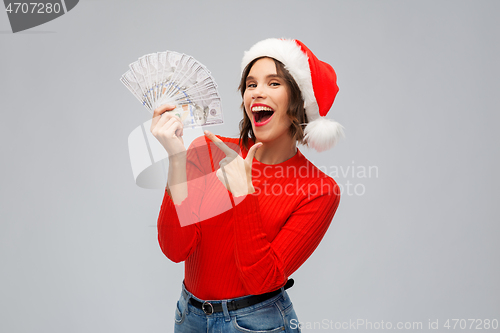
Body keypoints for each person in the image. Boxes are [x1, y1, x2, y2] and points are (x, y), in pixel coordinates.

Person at [151, 38, 344, 333]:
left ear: (299, 101)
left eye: (274, 83)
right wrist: (177, 159)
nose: (257, 93)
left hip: (256, 323)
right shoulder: (207, 150)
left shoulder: (318, 190)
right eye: (251, 84)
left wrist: (244, 193)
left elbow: (262, 280)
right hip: (189, 317)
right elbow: (175, 248)